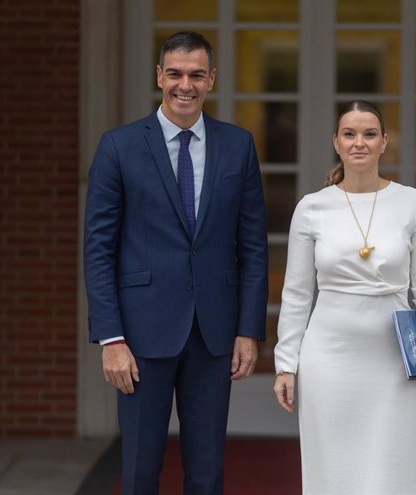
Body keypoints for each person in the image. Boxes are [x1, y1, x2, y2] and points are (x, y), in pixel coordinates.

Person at [84, 31, 268, 495]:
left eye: (196, 75)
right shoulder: (118, 146)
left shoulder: (238, 146)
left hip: (214, 335)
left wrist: (248, 329)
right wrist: (111, 337)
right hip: (140, 336)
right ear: (159, 77)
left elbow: (252, 246)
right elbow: (98, 248)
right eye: (175, 74)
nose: (184, 85)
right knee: (140, 473)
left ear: (211, 80)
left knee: (207, 475)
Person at [273, 100, 416, 494]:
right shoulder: (312, 207)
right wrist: (286, 364)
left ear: (384, 142)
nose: (359, 143)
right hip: (329, 352)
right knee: (330, 460)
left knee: (390, 460)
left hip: (392, 352)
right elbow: (297, 292)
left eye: (369, 134)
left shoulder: (412, 202)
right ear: (336, 142)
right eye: (350, 134)